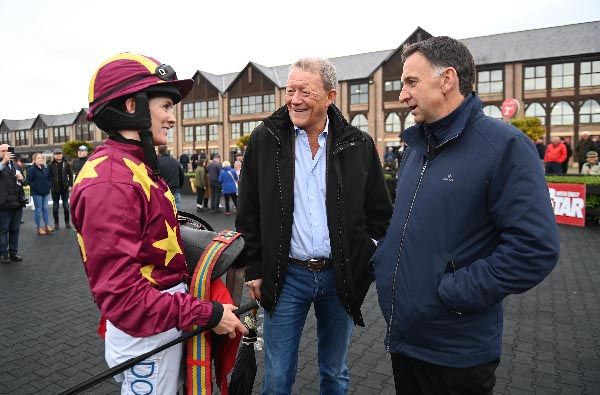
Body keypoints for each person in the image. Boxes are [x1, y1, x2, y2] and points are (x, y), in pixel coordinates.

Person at [372, 36, 559, 395]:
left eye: (411, 82)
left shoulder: (505, 147)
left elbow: (535, 248)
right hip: (405, 339)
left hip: (456, 353)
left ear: (447, 81)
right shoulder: (416, 148)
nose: (402, 96)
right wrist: (383, 261)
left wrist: (455, 291)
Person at [70, 53, 246, 394]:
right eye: (165, 106)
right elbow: (124, 300)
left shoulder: (131, 166)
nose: (171, 117)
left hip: (162, 324)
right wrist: (208, 314)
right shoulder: (111, 180)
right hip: (147, 334)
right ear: (132, 106)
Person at [236, 57, 392, 394]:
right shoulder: (265, 139)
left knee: (335, 373)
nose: (294, 100)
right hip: (286, 275)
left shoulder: (358, 145)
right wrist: (254, 269)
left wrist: (367, 258)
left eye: (305, 91)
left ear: (330, 96)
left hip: (340, 277)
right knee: (277, 377)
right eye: (290, 90)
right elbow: (248, 211)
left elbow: (380, 213)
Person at [0, 144, 24, 264]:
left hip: (17, 203)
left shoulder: (15, 165)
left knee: (15, 230)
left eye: (8, 150)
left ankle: (13, 253)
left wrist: (22, 178)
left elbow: (23, 182)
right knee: (3, 231)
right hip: (3, 204)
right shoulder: (2, 165)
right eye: (3, 150)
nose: (5, 153)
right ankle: (3, 254)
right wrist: (3, 162)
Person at [26, 153, 54, 235]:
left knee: (45, 209)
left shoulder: (45, 168)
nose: (41, 159)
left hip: (45, 192)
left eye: (42, 158)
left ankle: (47, 226)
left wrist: (49, 186)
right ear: (34, 160)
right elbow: (28, 181)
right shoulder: (32, 169)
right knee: (38, 210)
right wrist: (37, 188)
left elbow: (50, 179)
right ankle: (39, 228)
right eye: (38, 158)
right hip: (37, 193)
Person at [48, 148, 73, 229]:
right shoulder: (50, 165)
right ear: (54, 155)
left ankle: (67, 222)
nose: (59, 155)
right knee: (55, 207)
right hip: (55, 189)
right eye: (57, 154)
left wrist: (70, 185)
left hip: (65, 188)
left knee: (66, 206)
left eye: (60, 153)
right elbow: (48, 176)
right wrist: (50, 185)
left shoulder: (66, 164)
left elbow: (71, 175)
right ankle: (56, 223)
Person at [157, 145, 184, 211]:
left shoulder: (157, 162)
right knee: (177, 214)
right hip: (175, 191)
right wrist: (178, 187)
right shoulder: (175, 161)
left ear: (158, 151)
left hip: (162, 192)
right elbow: (181, 176)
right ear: (167, 150)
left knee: (164, 215)